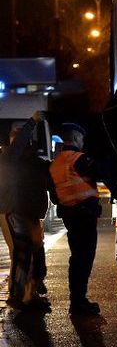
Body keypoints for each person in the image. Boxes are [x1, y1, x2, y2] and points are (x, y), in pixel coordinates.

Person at [0, 111, 52, 310]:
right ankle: (18, 295)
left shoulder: (33, 163)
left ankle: (32, 290)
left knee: (35, 252)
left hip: (29, 214)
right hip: (18, 211)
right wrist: (33, 121)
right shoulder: (9, 157)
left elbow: (48, 178)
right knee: (23, 254)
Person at [49, 123, 102, 315]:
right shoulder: (79, 159)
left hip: (70, 217)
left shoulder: (55, 164)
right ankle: (79, 303)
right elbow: (99, 173)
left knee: (77, 258)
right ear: (77, 138)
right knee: (84, 259)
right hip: (84, 216)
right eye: (82, 139)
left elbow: (55, 195)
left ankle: (77, 300)